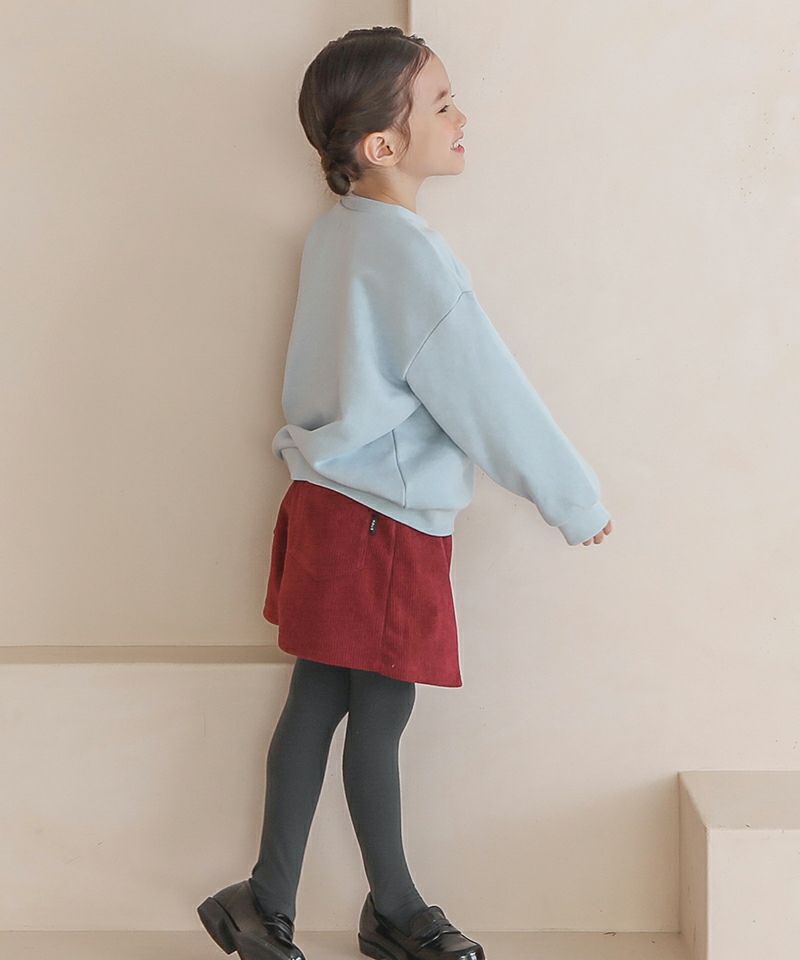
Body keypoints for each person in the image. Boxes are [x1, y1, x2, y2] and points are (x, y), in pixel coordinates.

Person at [197, 24, 613, 960]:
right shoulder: (411, 255)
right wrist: (572, 498)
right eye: (443, 104)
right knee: (378, 717)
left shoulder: (336, 234)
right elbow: (486, 393)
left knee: (316, 701)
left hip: (325, 506)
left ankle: (266, 899)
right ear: (384, 144)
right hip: (381, 521)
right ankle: (392, 911)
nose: (463, 116)